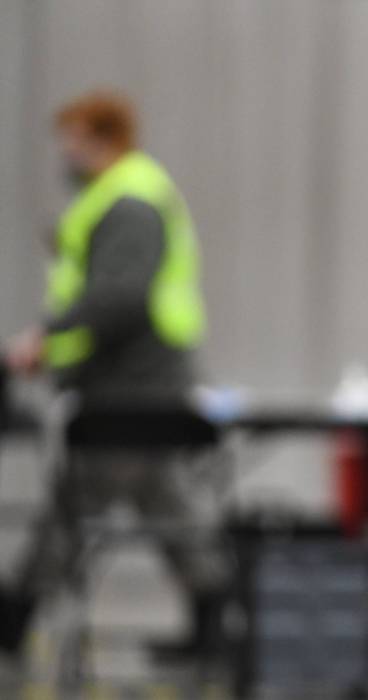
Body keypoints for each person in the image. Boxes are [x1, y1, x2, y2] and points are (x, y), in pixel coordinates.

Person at [0, 92, 221, 660]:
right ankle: (216, 624)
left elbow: (120, 296)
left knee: (77, 507)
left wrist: (45, 336)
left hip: (132, 386)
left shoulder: (129, 203)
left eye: (73, 140)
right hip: (137, 383)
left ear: (105, 139)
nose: (65, 153)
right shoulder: (116, 196)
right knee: (161, 502)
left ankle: (13, 619)